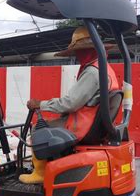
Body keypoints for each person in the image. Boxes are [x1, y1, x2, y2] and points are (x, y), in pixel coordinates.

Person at [19, 26, 116, 184]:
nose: (78, 55)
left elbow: (70, 103)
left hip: (83, 126)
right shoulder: (105, 69)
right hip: (95, 126)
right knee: (52, 123)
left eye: (80, 51)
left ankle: (40, 173)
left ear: (88, 51)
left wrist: (40, 104)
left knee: (39, 128)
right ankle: (54, 166)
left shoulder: (92, 73)